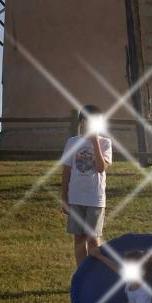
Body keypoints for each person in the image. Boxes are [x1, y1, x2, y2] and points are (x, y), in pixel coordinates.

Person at [61, 105, 113, 267]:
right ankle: (81, 273)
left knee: (93, 238)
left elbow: (100, 168)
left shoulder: (105, 143)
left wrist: (95, 141)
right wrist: (65, 195)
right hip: (76, 197)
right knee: (79, 238)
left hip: (95, 198)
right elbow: (67, 171)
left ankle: (95, 273)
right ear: (82, 122)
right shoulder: (72, 142)